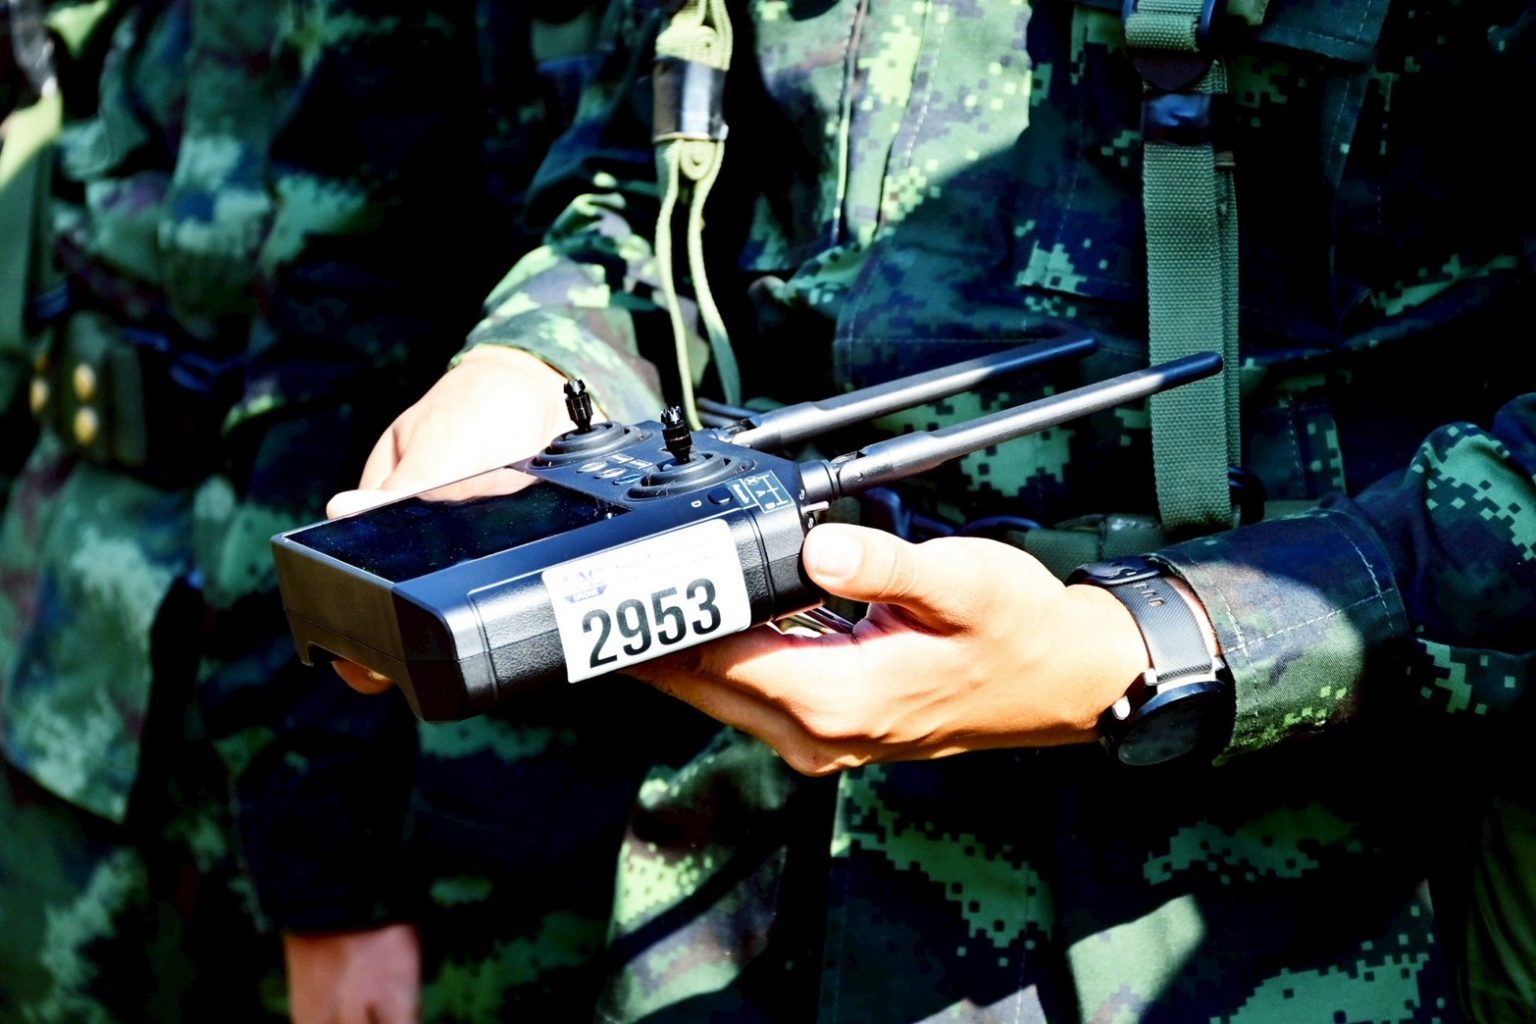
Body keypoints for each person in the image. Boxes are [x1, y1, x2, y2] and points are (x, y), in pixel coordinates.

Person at [336, 0, 1535, 1019]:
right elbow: (655, 193)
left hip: (1283, 907)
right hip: (749, 885)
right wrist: (540, 367)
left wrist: (1152, 641)